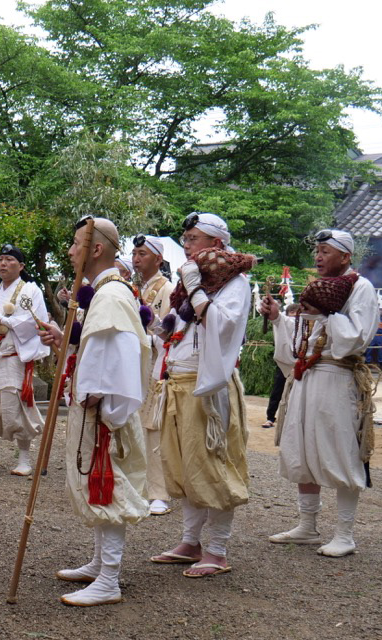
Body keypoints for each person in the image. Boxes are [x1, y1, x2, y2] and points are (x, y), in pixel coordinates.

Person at [39, 217, 150, 606]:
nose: (70, 251)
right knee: (96, 484)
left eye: (75, 244)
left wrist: (109, 412)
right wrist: (64, 342)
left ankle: (110, 578)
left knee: (108, 486)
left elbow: (121, 357)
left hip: (105, 415)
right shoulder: (104, 293)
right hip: (97, 409)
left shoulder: (112, 296)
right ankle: (101, 562)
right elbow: (96, 350)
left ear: (96, 249)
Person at [261, 229, 379, 557]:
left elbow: (355, 338)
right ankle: (307, 526)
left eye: (326, 251)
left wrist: (326, 314)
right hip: (306, 378)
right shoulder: (318, 287)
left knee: (339, 450)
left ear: (345, 256)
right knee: (301, 449)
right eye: (317, 251)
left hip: (337, 379)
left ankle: (345, 533)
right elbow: (302, 333)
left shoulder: (361, 288)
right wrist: (277, 319)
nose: (318, 257)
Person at [150, 212, 252, 578]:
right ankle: (190, 542)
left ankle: (218, 549)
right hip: (179, 384)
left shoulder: (235, 282)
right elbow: (176, 331)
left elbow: (223, 326)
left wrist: (194, 288)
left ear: (216, 243)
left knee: (214, 466)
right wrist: (152, 324)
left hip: (208, 389)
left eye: (193, 238)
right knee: (187, 466)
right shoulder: (190, 283)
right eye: (186, 238)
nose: (187, 244)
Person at [0, 245, 50, 476]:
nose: (3, 263)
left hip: (12, 357)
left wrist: (0, 319)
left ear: (21, 266)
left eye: (9, 259)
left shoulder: (31, 291)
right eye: (0, 259)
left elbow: (35, 322)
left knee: (14, 408)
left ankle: (24, 458)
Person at [131, 234, 175, 516]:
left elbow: (170, 333)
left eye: (143, 254)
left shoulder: (167, 289)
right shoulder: (133, 287)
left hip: (154, 364)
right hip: (133, 362)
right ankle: (137, 485)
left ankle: (159, 492)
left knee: (153, 427)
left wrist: (153, 330)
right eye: (134, 253)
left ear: (158, 259)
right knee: (132, 422)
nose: (136, 259)